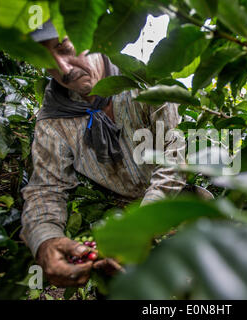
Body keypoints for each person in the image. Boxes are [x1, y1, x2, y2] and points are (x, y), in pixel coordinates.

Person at [21, 20, 186, 287]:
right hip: (117, 217)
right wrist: (45, 240)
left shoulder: (143, 82)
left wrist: (143, 225)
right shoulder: (53, 122)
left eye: (64, 48)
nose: (63, 70)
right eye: (46, 60)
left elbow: (174, 157)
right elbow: (45, 189)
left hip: (178, 203)